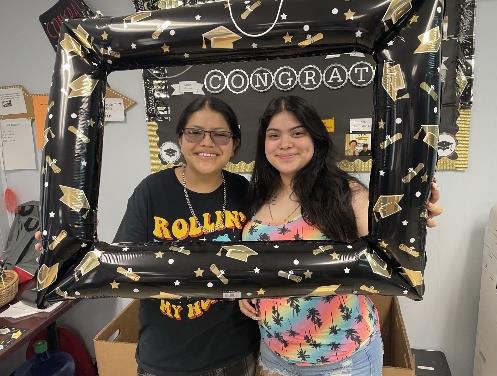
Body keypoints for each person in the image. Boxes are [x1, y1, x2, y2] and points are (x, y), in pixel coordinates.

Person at [38, 97, 260, 376]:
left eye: (220, 134)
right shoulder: (152, 191)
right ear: (180, 139)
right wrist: (66, 249)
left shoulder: (244, 191)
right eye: (195, 133)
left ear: (235, 144)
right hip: (168, 358)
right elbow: (118, 263)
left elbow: (261, 257)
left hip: (235, 352)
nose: (207, 142)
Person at [238, 96, 442, 376]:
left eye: (298, 133)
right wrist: (243, 290)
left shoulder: (346, 194)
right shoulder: (256, 196)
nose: (285, 143)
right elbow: (248, 261)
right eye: (274, 135)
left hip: (343, 359)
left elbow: (392, 248)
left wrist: (417, 218)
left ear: (316, 139)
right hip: (275, 356)